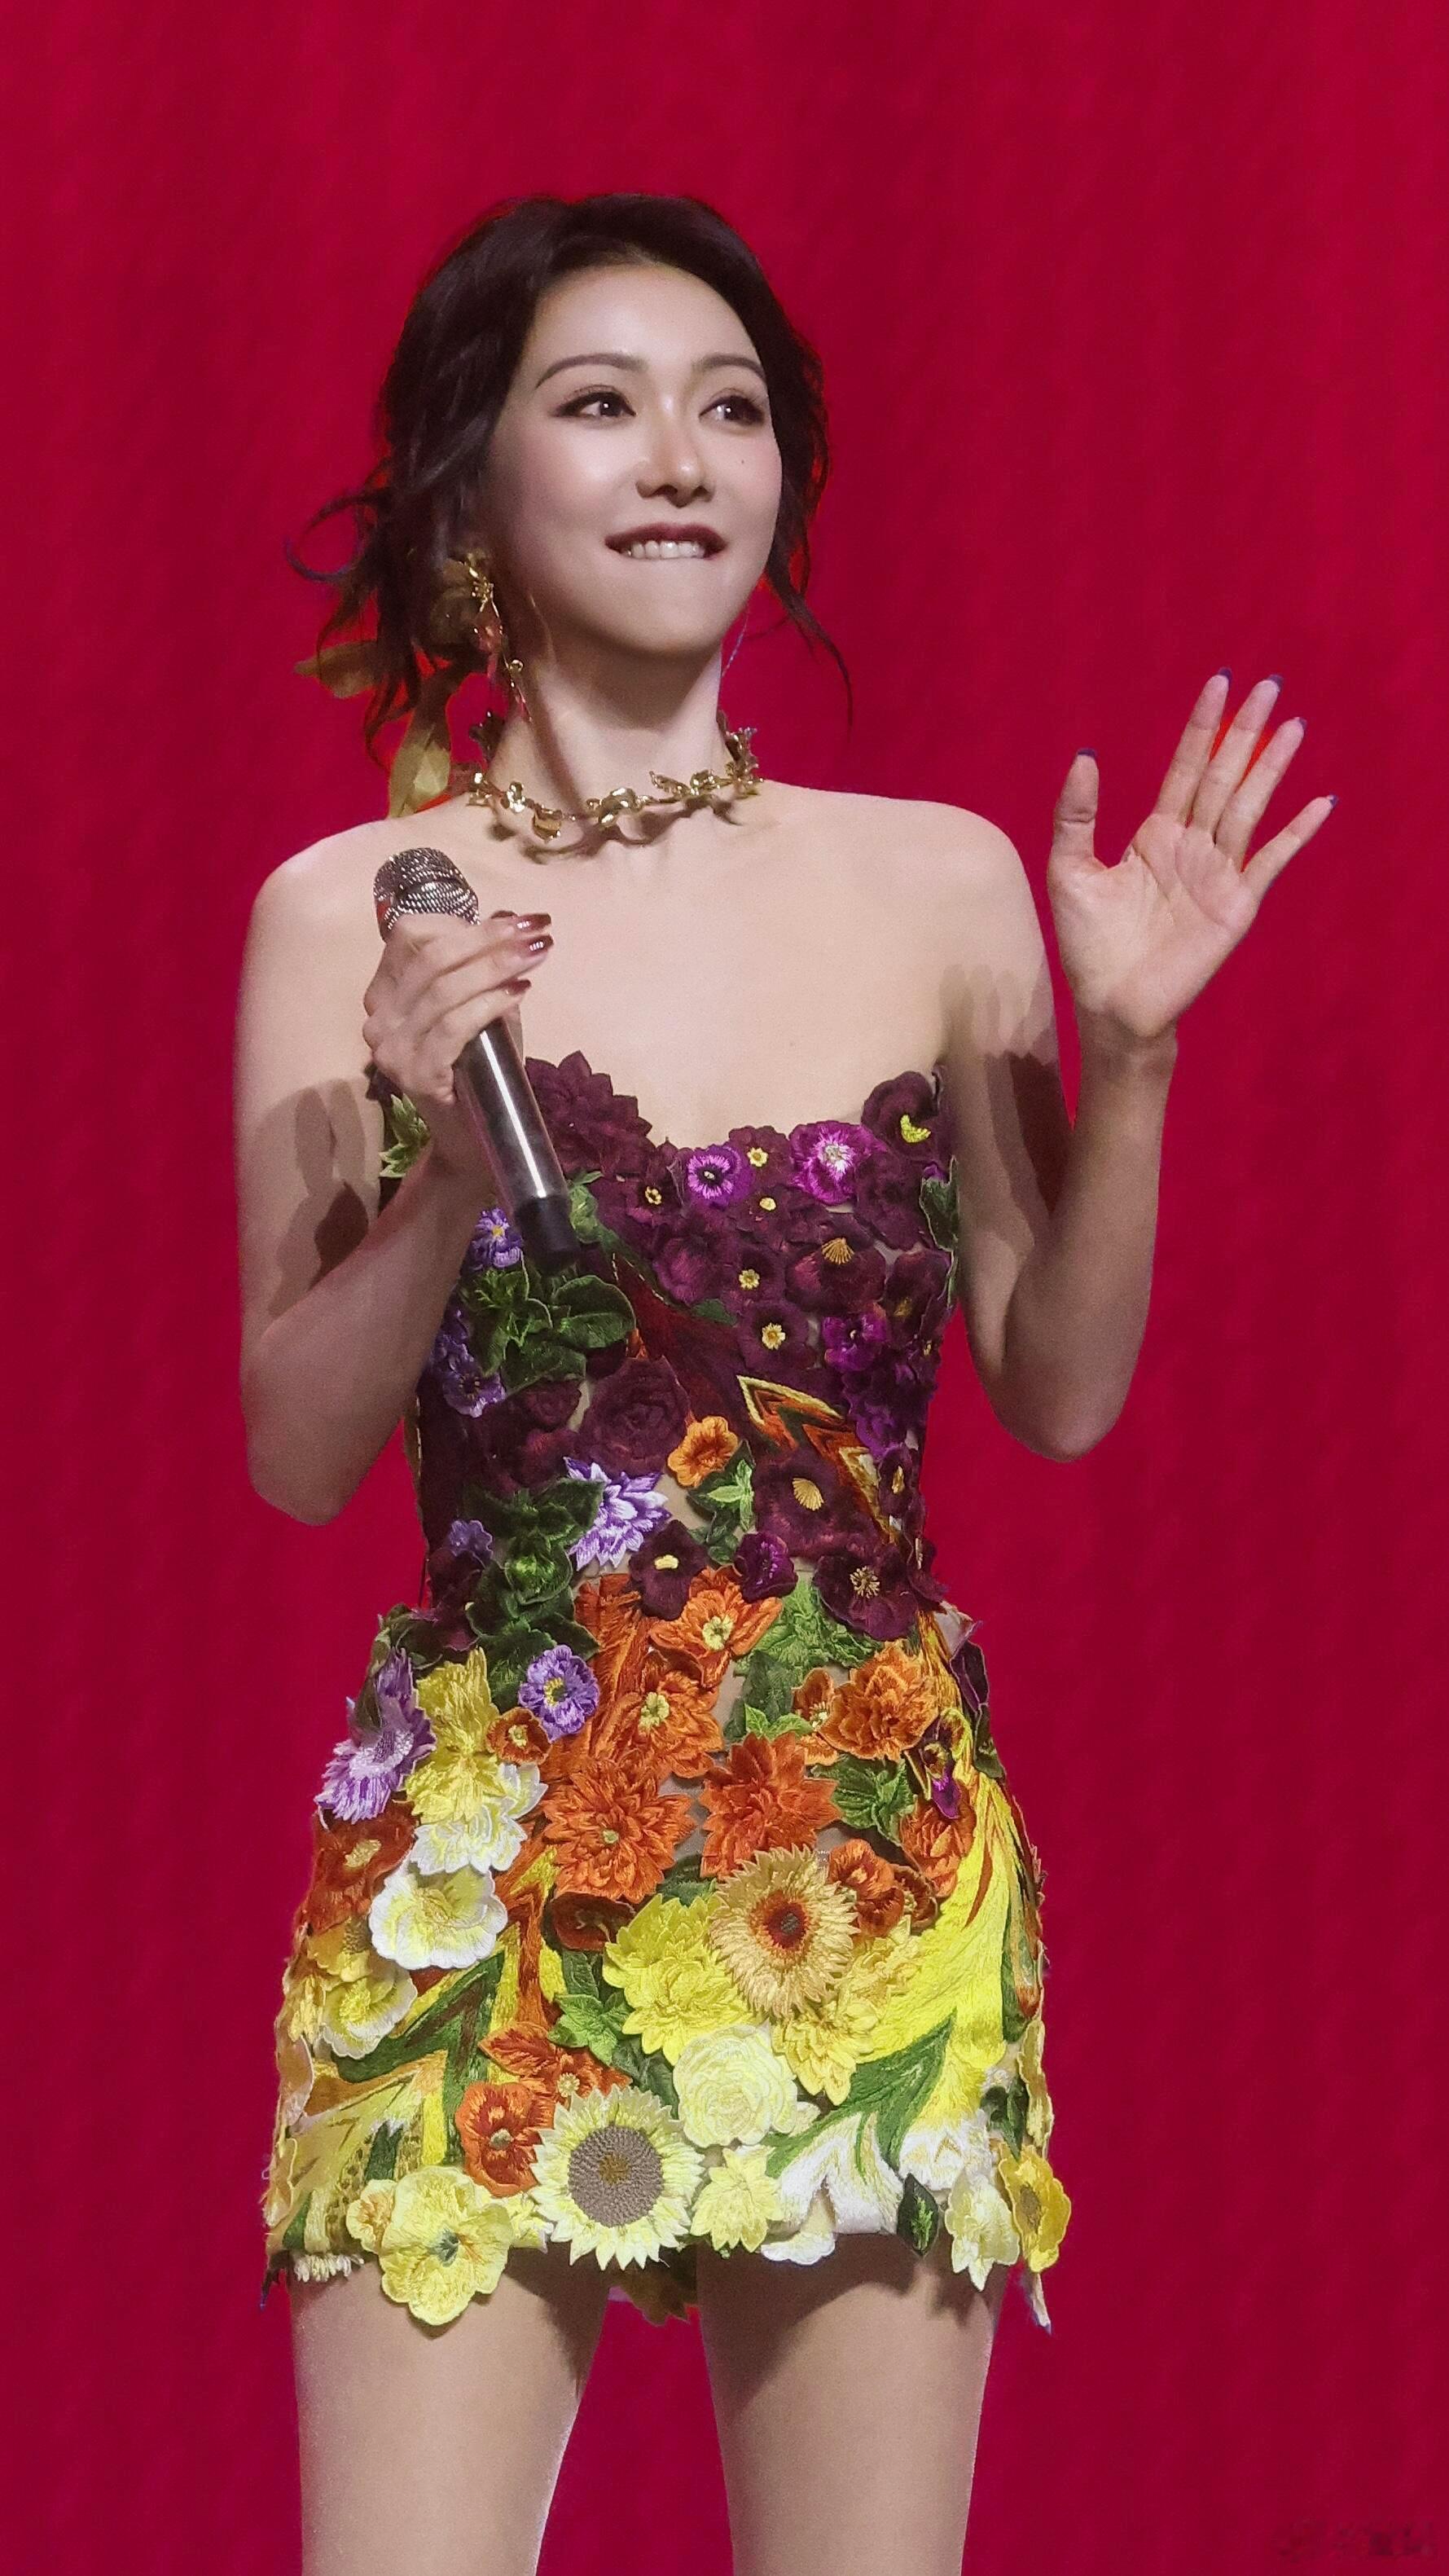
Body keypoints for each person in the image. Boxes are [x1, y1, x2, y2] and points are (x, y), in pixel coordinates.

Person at [233, 191, 1334, 2576]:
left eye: (727, 411)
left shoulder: (940, 885)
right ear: (474, 488)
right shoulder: (349, 911)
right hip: (484, 1865)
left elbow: (1056, 1388)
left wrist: (1130, 1061)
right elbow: (298, 1449)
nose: (678, 458)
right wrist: (444, 1171)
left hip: (856, 1851)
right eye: (600, 403)